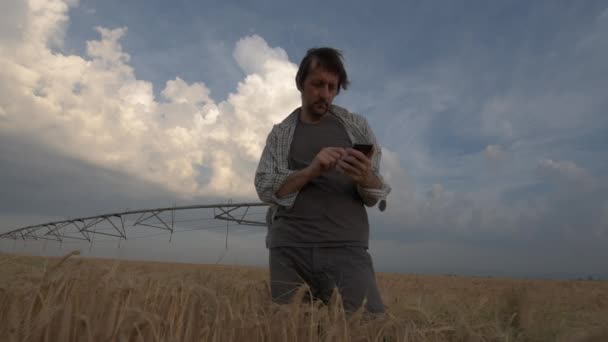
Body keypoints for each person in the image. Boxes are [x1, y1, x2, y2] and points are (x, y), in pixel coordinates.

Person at [254, 47, 390, 313]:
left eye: (332, 87)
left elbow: (375, 194)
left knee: (369, 327)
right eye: (317, 85)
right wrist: (311, 171)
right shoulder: (280, 134)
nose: (325, 94)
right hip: (289, 251)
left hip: (346, 248)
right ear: (300, 83)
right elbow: (264, 187)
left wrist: (365, 177)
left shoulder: (357, 127)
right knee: (292, 332)